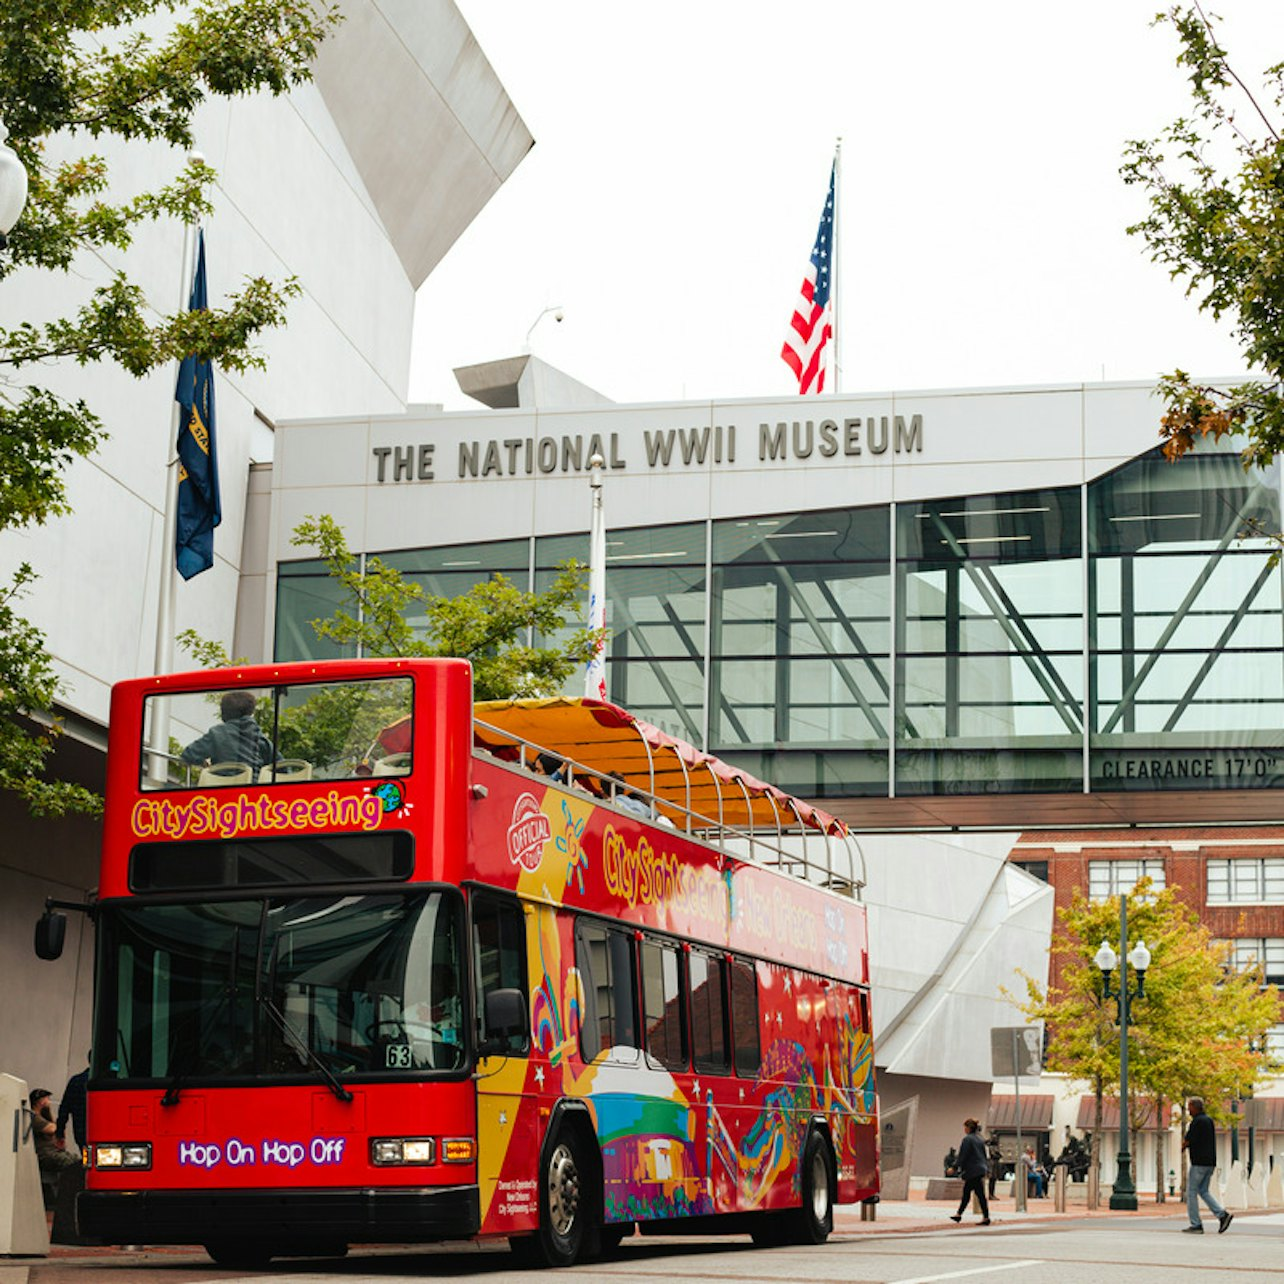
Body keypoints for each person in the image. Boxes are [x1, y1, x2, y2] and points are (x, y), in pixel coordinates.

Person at [180, 691, 275, 772]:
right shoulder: (260, 737)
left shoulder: (217, 734)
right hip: (253, 791)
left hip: (221, 789)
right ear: (250, 712)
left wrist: (204, 764)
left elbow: (188, 754)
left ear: (224, 712)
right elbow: (282, 767)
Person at [1182, 1096, 1232, 1234]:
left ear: (1194, 1107)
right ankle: (1222, 1215)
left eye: (1189, 1107)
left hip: (1198, 1163)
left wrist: (1183, 1147)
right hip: (1210, 1162)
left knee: (1191, 1192)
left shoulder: (1197, 1122)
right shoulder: (1209, 1120)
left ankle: (1196, 1224)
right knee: (1203, 1190)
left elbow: (1188, 1140)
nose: (1188, 1109)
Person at [29, 1088, 80, 1197]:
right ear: (40, 1101)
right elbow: (53, 1129)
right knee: (68, 1162)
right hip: (45, 1154)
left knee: (77, 1160)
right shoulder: (33, 1117)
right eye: (46, 1099)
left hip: (53, 1151)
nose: (49, 1101)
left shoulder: (42, 1116)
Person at [948, 1117, 991, 1225]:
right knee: (975, 1193)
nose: (964, 1130)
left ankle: (961, 1214)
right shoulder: (980, 1139)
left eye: (965, 1127)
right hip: (980, 1168)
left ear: (968, 1128)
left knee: (970, 1194)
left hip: (973, 1170)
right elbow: (984, 1155)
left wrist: (954, 1167)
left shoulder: (968, 1139)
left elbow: (963, 1155)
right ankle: (960, 1214)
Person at [55, 1054, 89, 1153]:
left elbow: (64, 1109)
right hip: (107, 1132)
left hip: (81, 1132)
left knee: (86, 1160)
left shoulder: (76, 1081)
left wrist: (60, 1133)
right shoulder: (113, 1081)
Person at [985, 1131, 1003, 1198]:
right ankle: (990, 1194)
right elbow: (994, 1154)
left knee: (994, 1179)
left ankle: (992, 1194)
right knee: (992, 1179)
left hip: (996, 1163)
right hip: (992, 1163)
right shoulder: (991, 1147)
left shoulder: (996, 1147)